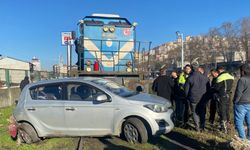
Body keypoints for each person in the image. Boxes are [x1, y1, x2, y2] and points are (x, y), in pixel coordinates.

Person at [185, 64, 210, 131]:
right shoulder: (205, 78)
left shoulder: (190, 78)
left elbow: (186, 90)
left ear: (192, 69)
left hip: (193, 98)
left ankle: (197, 127)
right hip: (203, 98)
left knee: (194, 112)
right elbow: (208, 89)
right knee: (202, 112)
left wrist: (187, 97)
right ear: (199, 69)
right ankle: (202, 126)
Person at [214, 66, 234, 133]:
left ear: (219, 70)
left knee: (222, 110)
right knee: (227, 109)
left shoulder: (220, 77)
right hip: (229, 94)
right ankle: (228, 124)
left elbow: (216, 88)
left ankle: (224, 127)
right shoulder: (230, 76)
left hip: (222, 95)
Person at [233, 63, 250, 140]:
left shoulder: (242, 80)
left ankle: (242, 139)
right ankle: (249, 140)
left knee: (239, 122)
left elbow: (238, 93)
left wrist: (235, 102)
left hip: (241, 104)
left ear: (243, 71)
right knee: (249, 123)